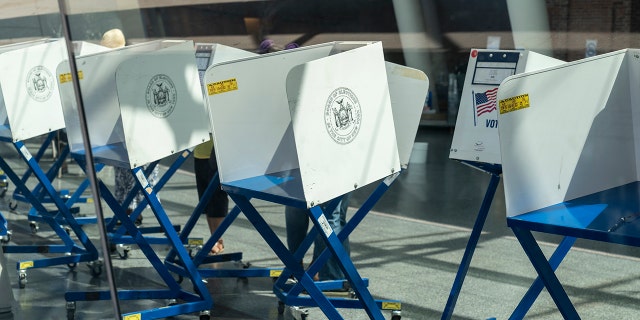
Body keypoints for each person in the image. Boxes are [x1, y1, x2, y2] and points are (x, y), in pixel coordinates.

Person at [193, 140, 227, 254]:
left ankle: (218, 239)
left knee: (217, 197)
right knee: (206, 199)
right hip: (200, 151)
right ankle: (214, 237)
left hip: (216, 152)